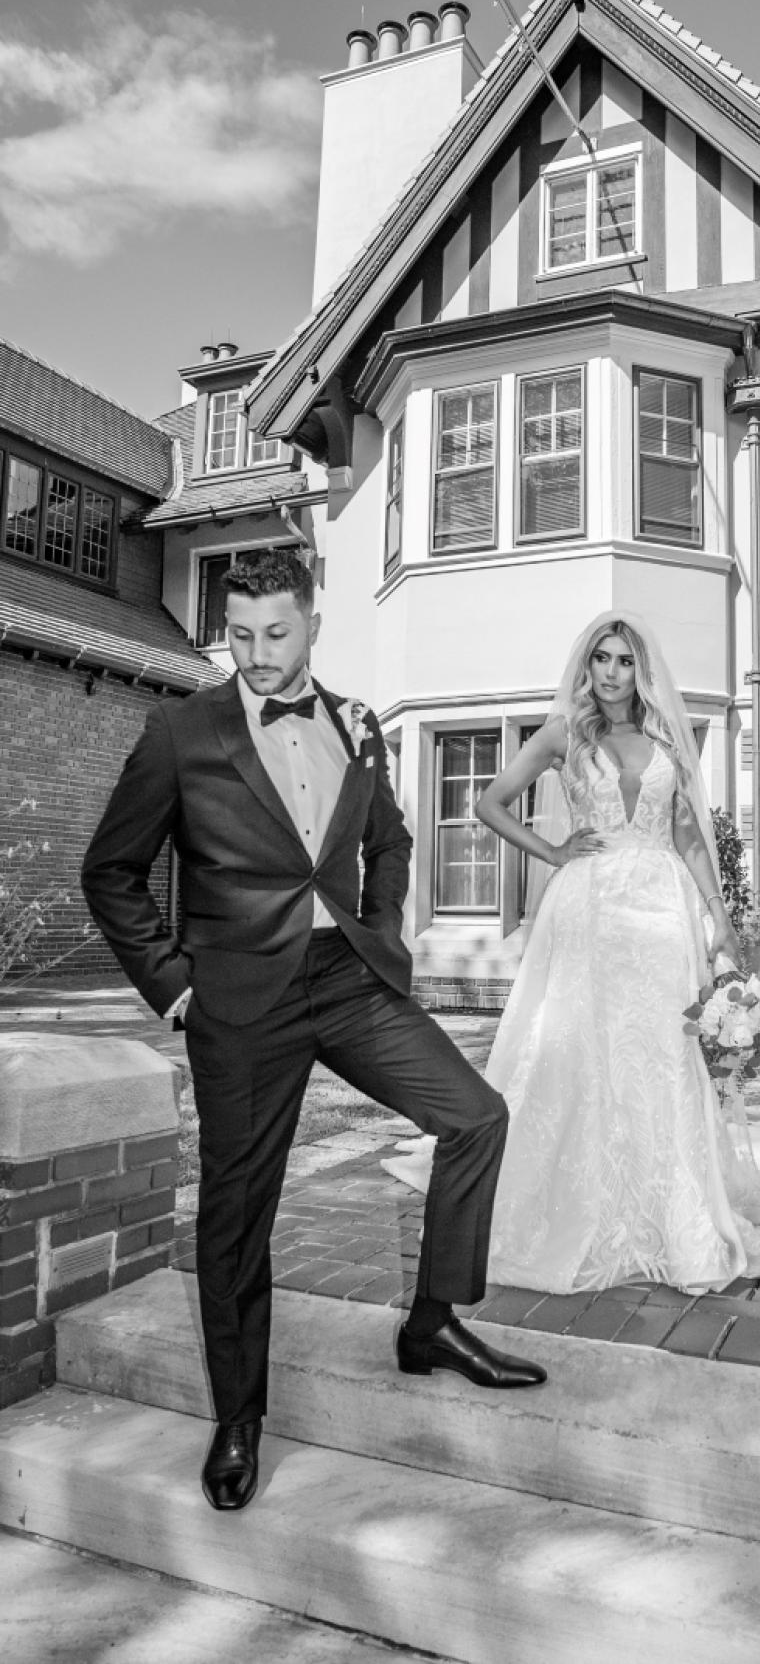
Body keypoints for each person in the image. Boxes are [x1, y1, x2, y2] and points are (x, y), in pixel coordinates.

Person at [81, 549, 545, 1516]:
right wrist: (174, 987)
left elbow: (389, 839)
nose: (256, 654)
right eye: (241, 634)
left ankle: (432, 1322)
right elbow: (111, 872)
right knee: (237, 1213)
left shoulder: (359, 725)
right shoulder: (179, 731)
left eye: (276, 633)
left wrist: (382, 931)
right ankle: (238, 1416)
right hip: (238, 998)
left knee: (475, 1117)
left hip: (349, 981)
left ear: (313, 625)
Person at [384, 611, 760, 1295]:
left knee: (663, 1050)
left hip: (662, 906)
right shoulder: (563, 733)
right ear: (588, 666)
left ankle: (674, 1207)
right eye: (601, 659)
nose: (611, 672)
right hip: (591, 903)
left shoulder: (664, 734)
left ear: (642, 670)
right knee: (579, 1043)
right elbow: (490, 803)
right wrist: (552, 851)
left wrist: (719, 917)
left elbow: (689, 837)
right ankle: (580, 1201)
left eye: (624, 661)